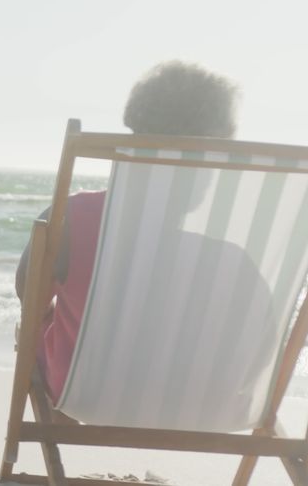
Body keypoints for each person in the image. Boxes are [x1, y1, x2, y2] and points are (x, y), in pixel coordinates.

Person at [16, 60, 240, 404]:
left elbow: (29, 298)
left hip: (84, 392)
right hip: (200, 403)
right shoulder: (232, 252)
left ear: (134, 137)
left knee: (32, 327)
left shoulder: (72, 219)